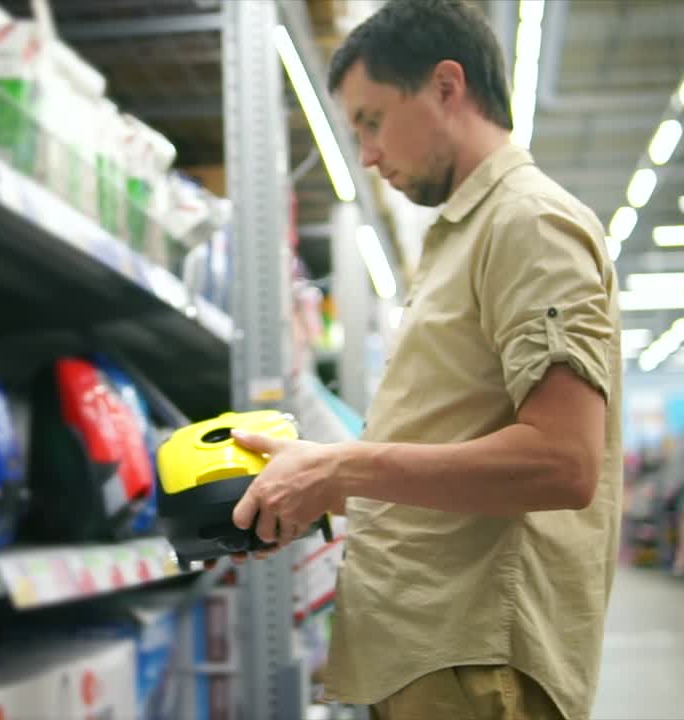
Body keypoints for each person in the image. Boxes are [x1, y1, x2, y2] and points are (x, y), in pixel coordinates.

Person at [224, 1, 623, 718]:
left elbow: (564, 463)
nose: (368, 155)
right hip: (433, 656)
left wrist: (343, 466)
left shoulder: (528, 223)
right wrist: (315, 485)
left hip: (475, 662)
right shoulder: (464, 239)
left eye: (372, 121)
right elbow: (451, 460)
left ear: (446, 86)